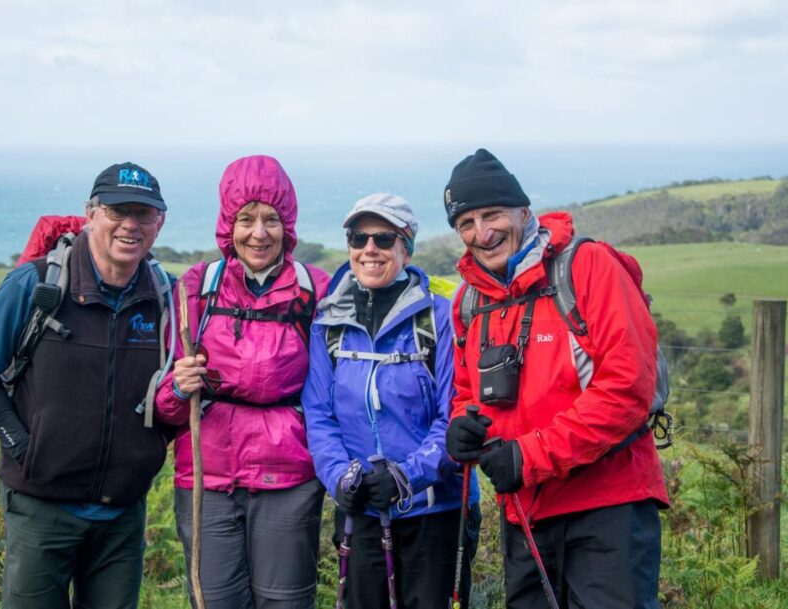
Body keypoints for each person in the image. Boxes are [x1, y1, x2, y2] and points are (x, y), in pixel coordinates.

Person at [442, 149, 670, 609]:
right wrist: (461, 429)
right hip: (524, 513)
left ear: (524, 211)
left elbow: (627, 389)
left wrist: (529, 456)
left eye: (492, 215)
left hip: (608, 506)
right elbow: (468, 392)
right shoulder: (469, 301)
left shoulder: (586, 267)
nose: (481, 234)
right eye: (466, 223)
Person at [0, 161, 173, 609]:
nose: (130, 225)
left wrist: (151, 446)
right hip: (42, 506)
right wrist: (22, 446)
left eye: (143, 214)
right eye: (117, 212)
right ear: (90, 214)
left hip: (122, 512)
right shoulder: (37, 283)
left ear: (160, 222)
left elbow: (180, 386)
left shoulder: (167, 297)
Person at [154, 155, 330, 609]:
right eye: (246, 219)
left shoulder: (316, 291)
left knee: (285, 602)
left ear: (287, 225)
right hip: (206, 476)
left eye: (271, 219)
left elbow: (335, 388)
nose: (259, 233)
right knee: (214, 602)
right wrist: (177, 387)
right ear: (227, 223)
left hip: (289, 474)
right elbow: (166, 406)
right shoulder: (196, 288)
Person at [301, 193, 480, 609]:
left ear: (406, 246)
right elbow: (319, 413)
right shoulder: (328, 322)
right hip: (360, 508)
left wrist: (407, 476)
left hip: (435, 512)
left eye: (383, 238)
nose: (369, 249)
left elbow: (451, 410)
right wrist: (340, 478)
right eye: (358, 237)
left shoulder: (439, 317)